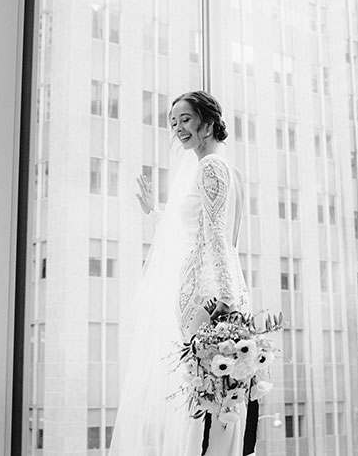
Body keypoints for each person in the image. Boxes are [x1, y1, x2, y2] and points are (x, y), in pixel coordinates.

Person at [109, 91, 253, 456]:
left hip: (207, 297)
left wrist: (225, 304)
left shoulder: (210, 168)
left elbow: (218, 239)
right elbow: (194, 235)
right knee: (215, 395)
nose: (178, 129)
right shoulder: (228, 168)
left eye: (185, 120)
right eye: (173, 124)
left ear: (207, 122)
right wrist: (151, 211)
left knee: (207, 397)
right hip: (216, 290)